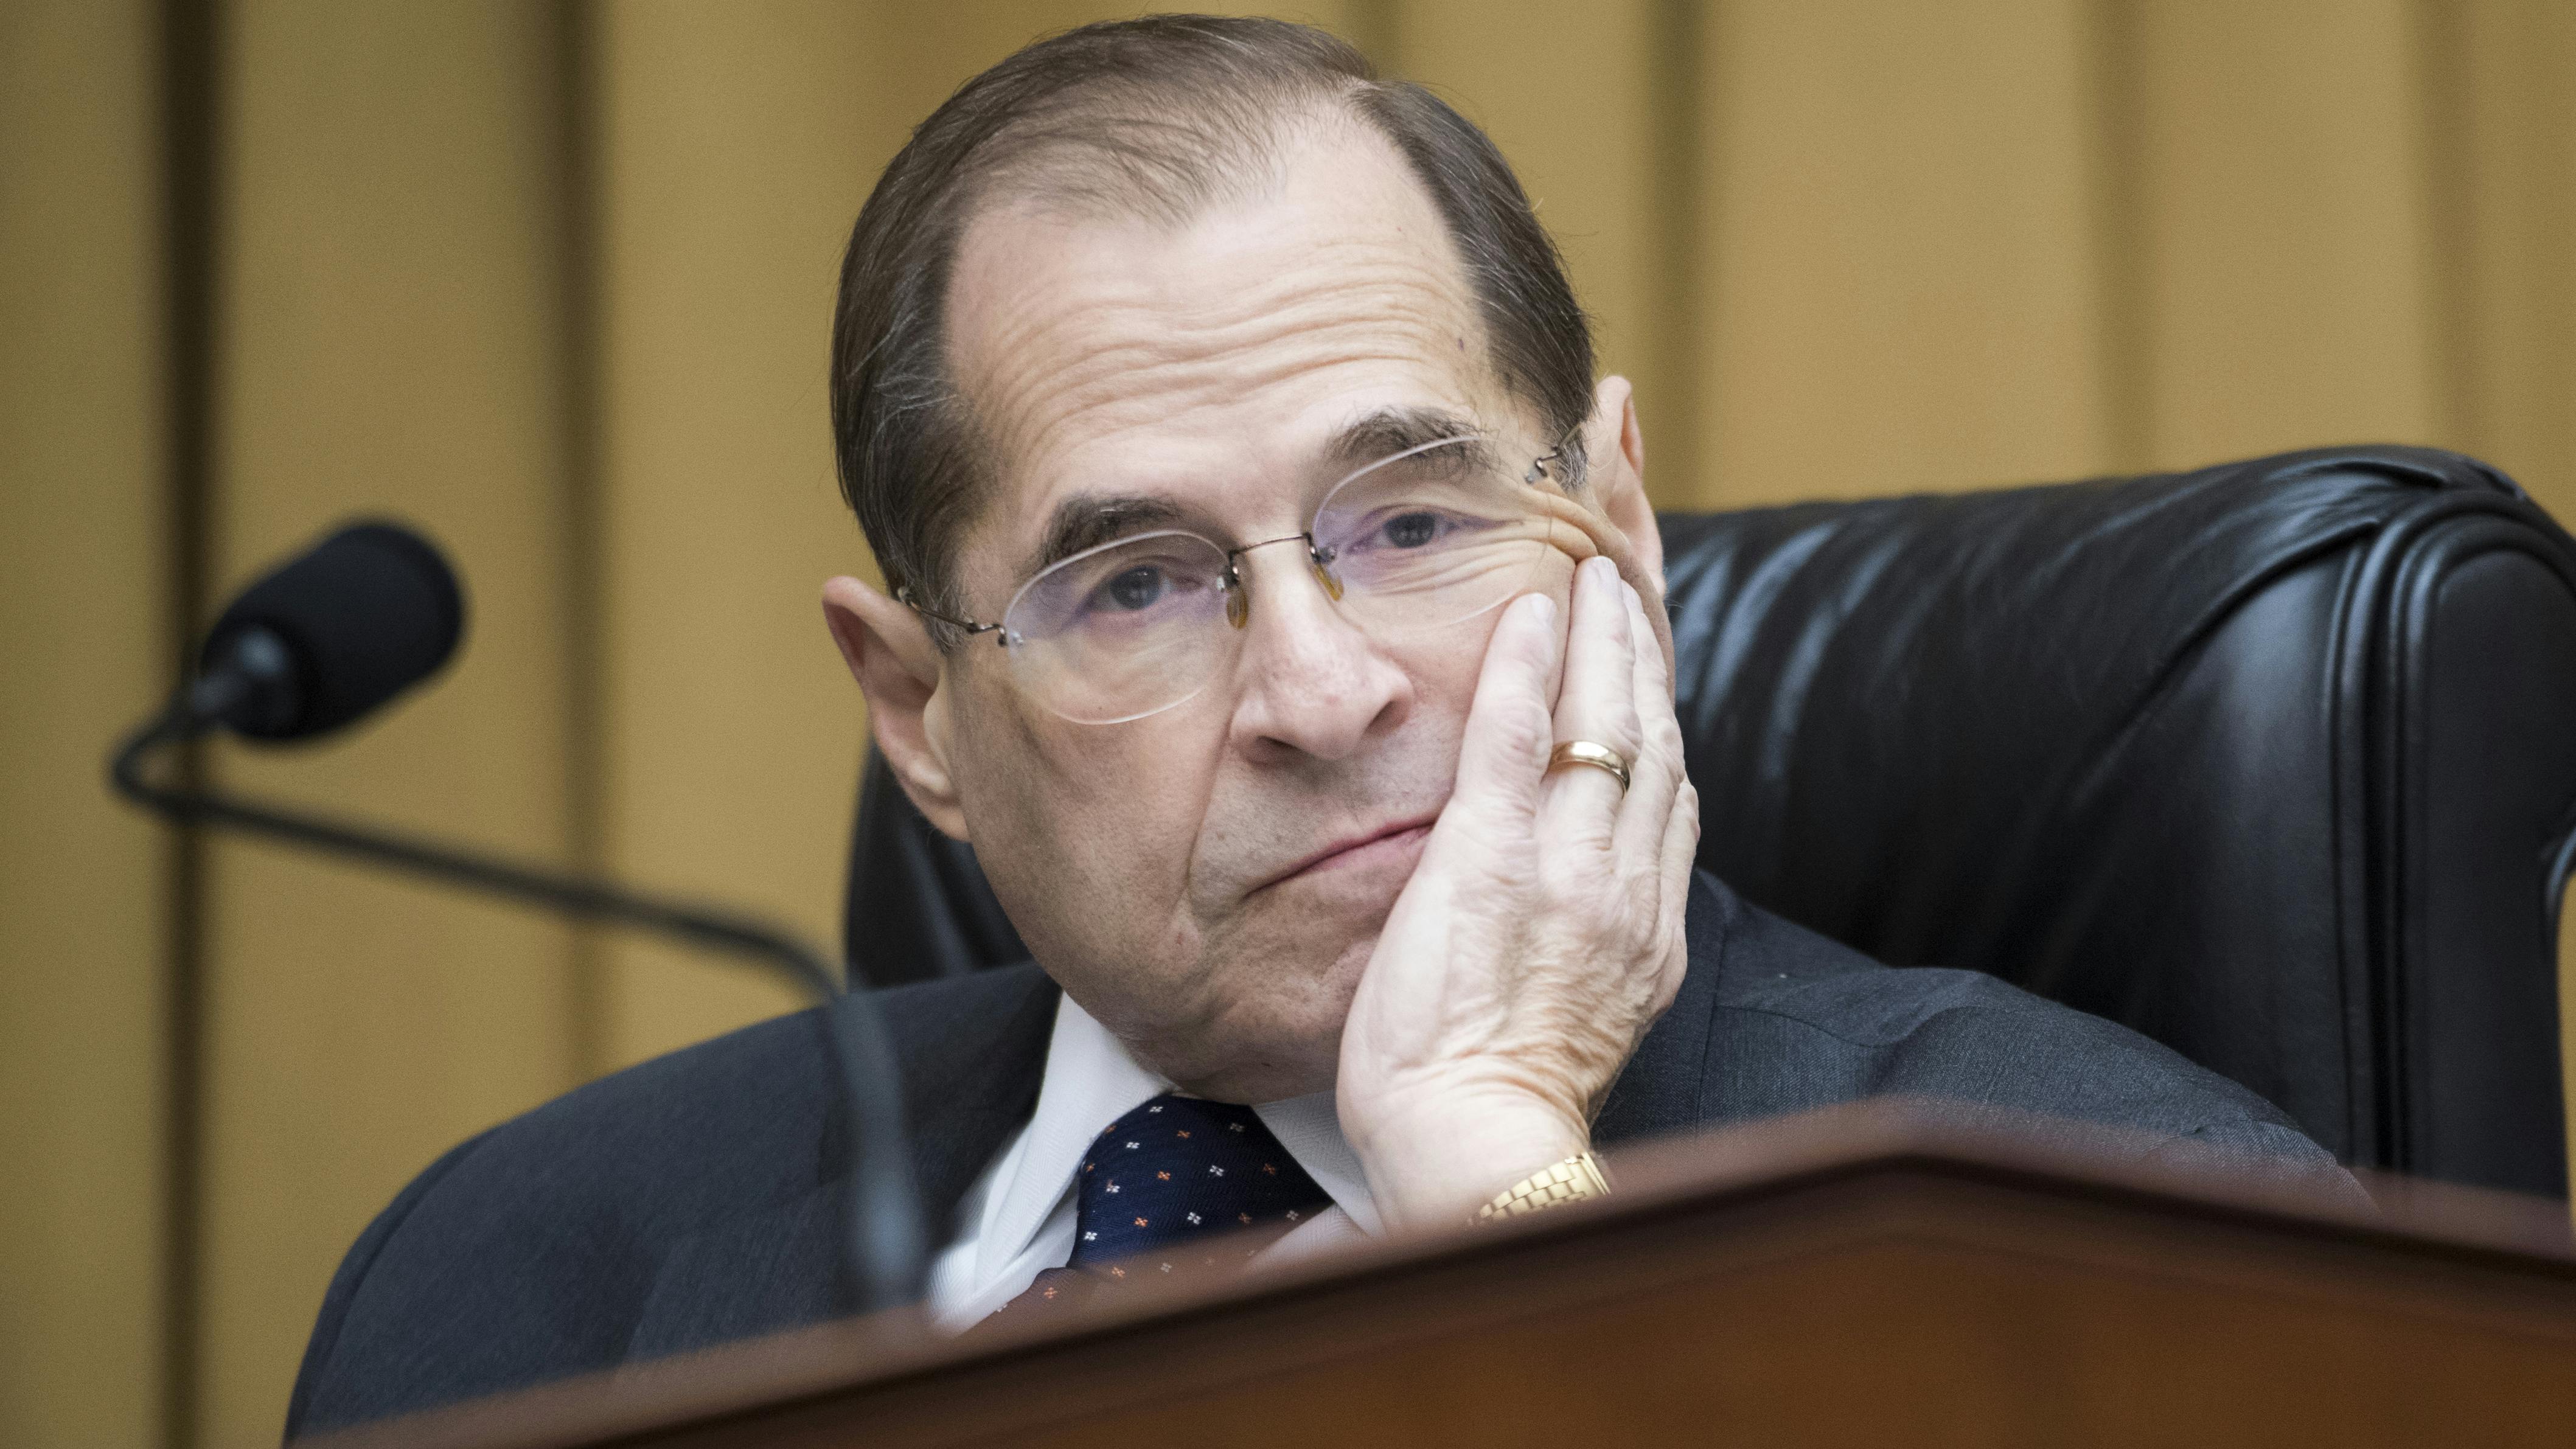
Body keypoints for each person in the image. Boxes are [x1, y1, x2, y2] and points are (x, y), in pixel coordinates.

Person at [285, 15, 2346, 1437]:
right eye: (1136, 584)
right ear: (918, 712)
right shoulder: (511, 1277)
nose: (1317, 691)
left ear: (1617, 532)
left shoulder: (2127, 1236)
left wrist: (1492, 1174)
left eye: (1413, 523)